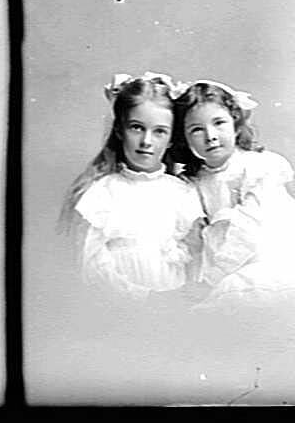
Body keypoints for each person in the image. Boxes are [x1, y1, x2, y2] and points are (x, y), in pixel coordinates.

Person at [171, 80, 295, 314]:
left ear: (236, 124)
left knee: (238, 295)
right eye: (196, 130)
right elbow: (193, 239)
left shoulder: (258, 167)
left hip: (271, 259)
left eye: (219, 123)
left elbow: (248, 231)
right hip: (223, 267)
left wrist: (212, 280)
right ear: (185, 139)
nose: (210, 136)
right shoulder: (194, 182)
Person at [60, 72, 207, 310]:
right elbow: (91, 265)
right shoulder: (102, 193)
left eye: (159, 131)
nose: (146, 141)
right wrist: (142, 298)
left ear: (171, 139)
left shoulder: (183, 193)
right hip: (118, 308)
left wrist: (178, 300)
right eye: (137, 128)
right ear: (120, 130)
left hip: (174, 308)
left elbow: (197, 258)